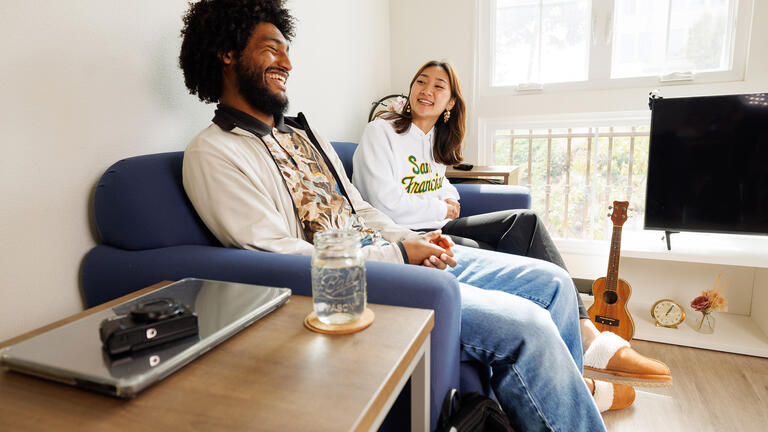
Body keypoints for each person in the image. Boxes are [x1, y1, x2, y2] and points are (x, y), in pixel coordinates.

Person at [178, 1, 615, 429]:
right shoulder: (215, 152)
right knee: (530, 326)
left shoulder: (304, 135)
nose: (288, 62)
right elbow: (275, 254)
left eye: (288, 49)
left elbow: (362, 208)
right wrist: (400, 256)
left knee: (554, 282)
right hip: (360, 286)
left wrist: (413, 240)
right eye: (273, 48)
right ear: (227, 52)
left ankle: (562, 400)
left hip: (398, 254)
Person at [352, 60, 673, 393]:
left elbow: (446, 191)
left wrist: (442, 202)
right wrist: (438, 205)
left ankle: (583, 335)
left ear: (450, 103)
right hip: (413, 237)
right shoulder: (382, 132)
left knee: (525, 222)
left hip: (441, 225)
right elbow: (384, 204)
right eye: (421, 81)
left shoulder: (434, 141)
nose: (427, 90)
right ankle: (579, 363)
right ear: (410, 89)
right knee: (507, 247)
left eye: (438, 86)